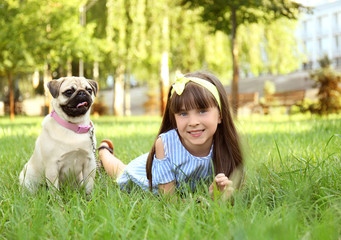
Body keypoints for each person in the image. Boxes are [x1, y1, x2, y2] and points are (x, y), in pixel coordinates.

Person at [98, 71, 244, 197]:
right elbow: (169, 200)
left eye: (202, 111)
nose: (193, 122)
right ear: (174, 117)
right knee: (119, 171)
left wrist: (221, 194)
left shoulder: (227, 144)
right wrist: (207, 201)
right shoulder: (165, 144)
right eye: (183, 113)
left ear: (220, 114)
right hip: (143, 175)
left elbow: (233, 192)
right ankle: (104, 150)